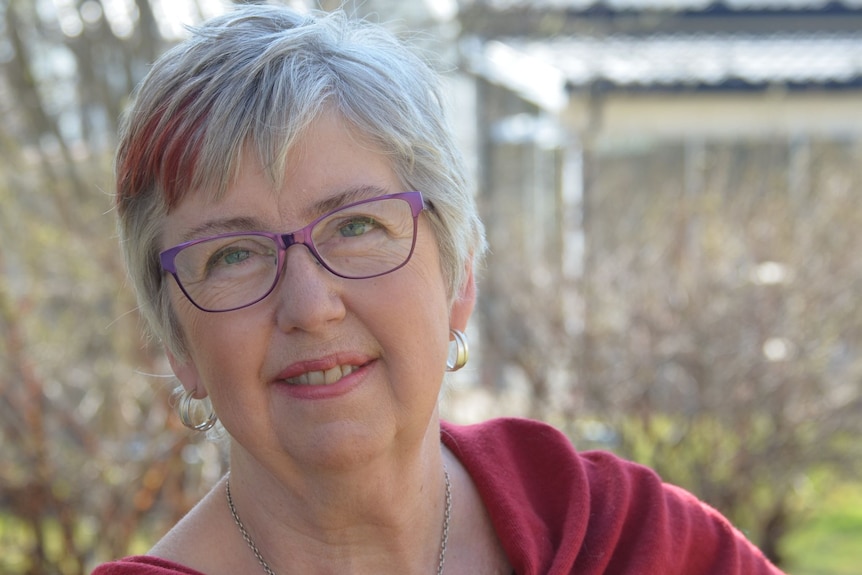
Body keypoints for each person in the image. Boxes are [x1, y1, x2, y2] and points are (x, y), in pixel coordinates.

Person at [93, 4, 785, 574]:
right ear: (178, 340)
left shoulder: (624, 538)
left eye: (356, 224)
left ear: (459, 275)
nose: (309, 306)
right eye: (233, 254)